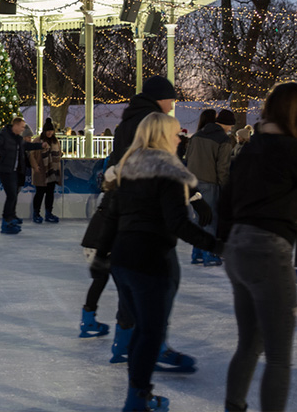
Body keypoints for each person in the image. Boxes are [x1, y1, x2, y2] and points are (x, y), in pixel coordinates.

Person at [218, 82, 297, 412]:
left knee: (250, 342)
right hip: (267, 252)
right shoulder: (292, 150)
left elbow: (226, 203)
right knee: (278, 356)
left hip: (238, 248)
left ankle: (233, 407)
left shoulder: (253, 147)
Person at [97, 112, 223, 411]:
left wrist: (102, 256)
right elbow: (178, 223)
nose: (180, 137)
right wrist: (216, 245)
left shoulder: (127, 168)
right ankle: (137, 400)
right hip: (150, 262)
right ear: (163, 136)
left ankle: (138, 396)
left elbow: (112, 215)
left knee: (142, 332)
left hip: (123, 261)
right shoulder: (166, 171)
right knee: (149, 335)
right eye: (176, 133)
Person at [185, 108, 235, 266]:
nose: (230, 129)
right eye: (231, 126)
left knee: (199, 218)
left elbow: (188, 157)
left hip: (192, 182)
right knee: (210, 218)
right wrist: (225, 188)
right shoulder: (223, 140)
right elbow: (223, 167)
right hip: (209, 182)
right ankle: (209, 253)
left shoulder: (197, 136)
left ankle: (197, 252)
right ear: (227, 125)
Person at [0, 117, 47, 234]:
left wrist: (40, 145)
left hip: (14, 171)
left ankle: (12, 216)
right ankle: (6, 222)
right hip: (5, 170)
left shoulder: (18, 139)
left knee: (14, 194)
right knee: (11, 195)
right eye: (22, 126)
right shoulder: (4, 134)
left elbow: (27, 145)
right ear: (15, 126)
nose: (23, 129)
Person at [29, 117, 62, 224]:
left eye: (51, 131)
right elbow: (31, 154)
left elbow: (59, 152)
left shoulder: (55, 141)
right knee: (40, 193)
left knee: (50, 193)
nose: (49, 133)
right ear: (44, 131)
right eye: (48, 131)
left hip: (52, 171)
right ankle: (36, 213)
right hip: (41, 171)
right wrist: (35, 166)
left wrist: (59, 156)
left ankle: (48, 213)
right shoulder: (38, 140)